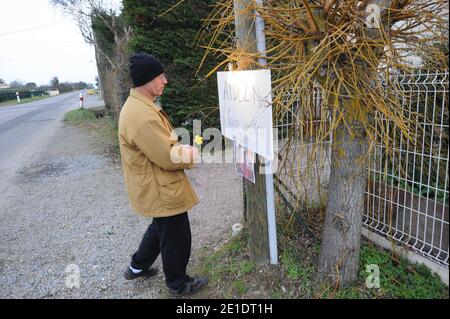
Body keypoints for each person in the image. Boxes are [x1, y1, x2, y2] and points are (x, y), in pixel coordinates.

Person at [118, 52, 208, 297]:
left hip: (153, 185)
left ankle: (137, 266)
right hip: (161, 188)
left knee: (160, 229)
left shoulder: (139, 106)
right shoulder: (141, 115)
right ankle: (179, 283)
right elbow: (168, 157)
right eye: (161, 77)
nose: (165, 81)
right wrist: (190, 153)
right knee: (177, 236)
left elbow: (159, 147)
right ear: (147, 80)